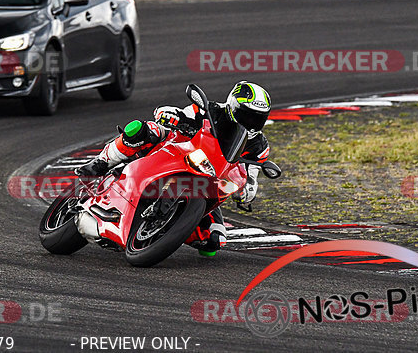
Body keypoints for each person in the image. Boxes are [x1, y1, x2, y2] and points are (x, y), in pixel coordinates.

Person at [75, 81, 273, 257]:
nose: (252, 123)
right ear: (233, 107)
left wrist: (246, 190)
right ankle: (101, 162)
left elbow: (249, 175)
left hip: (208, 181)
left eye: (258, 118)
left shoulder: (259, 146)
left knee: (214, 241)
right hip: (175, 150)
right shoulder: (210, 110)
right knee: (143, 129)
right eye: (247, 115)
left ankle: (167, 229)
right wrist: (170, 116)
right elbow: (175, 113)